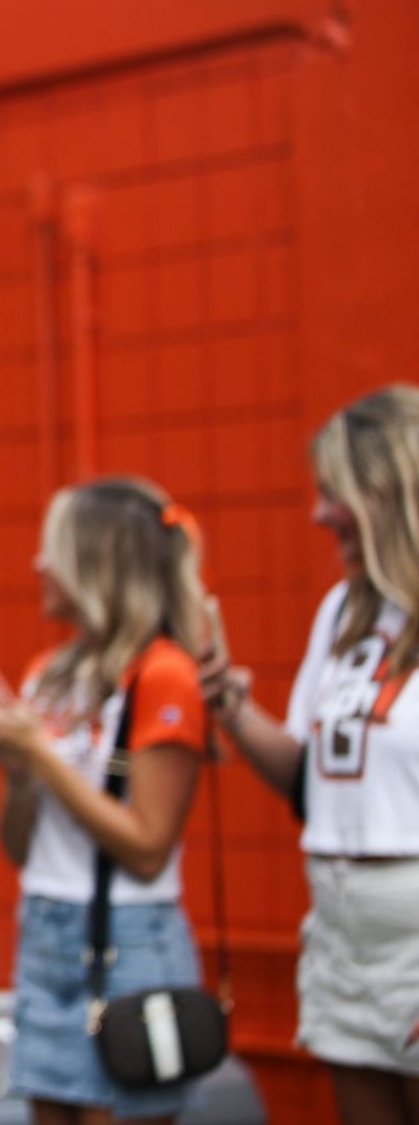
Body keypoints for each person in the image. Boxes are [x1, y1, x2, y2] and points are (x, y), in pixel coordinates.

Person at [0, 477, 213, 1125]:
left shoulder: (163, 675)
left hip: (128, 940)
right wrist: (15, 769)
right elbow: (20, 847)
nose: (39, 565)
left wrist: (39, 752)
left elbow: (149, 847)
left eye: (55, 549)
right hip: (45, 929)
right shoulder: (50, 672)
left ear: (98, 563)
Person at [201, 385, 419, 1125]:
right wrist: (229, 705)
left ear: (391, 490)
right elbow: (309, 782)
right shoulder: (344, 609)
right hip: (338, 922)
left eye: (335, 493)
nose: (318, 514)